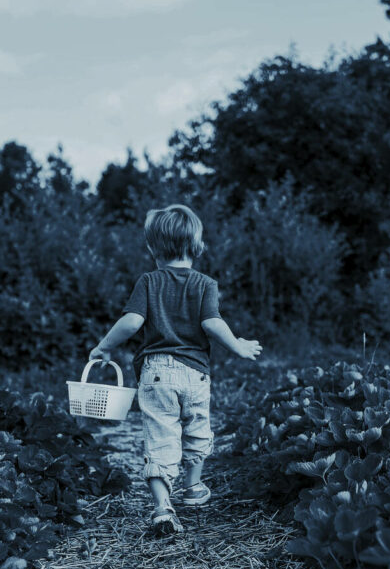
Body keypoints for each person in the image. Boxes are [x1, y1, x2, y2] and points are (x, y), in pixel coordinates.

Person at [89, 204, 262, 536]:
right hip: (195, 372)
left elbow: (131, 322)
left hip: (156, 373)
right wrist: (238, 345)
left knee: (160, 437)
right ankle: (194, 488)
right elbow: (212, 322)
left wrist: (105, 346)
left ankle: (162, 507)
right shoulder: (204, 283)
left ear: (153, 248)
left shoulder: (149, 281)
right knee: (198, 429)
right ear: (196, 245)